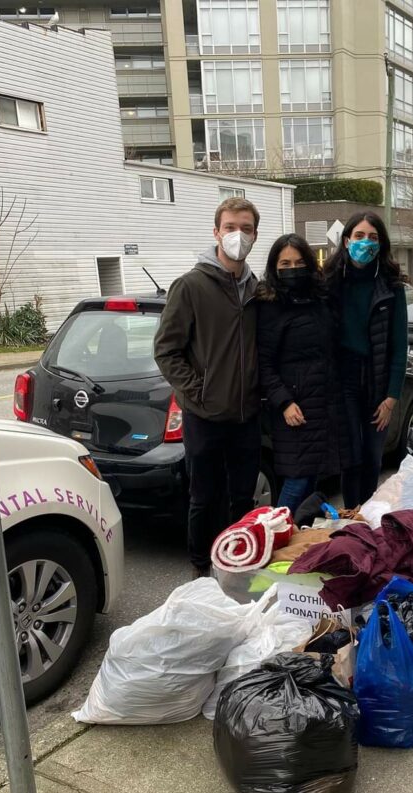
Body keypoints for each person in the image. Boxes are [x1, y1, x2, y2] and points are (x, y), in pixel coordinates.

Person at [154, 197, 261, 573]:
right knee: (203, 498)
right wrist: (197, 392)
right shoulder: (191, 286)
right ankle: (201, 569)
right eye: (230, 227)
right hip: (205, 416)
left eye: (245, 229)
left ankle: (237, 566)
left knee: (242, 499)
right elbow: (167, 351)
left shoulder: (254, 290)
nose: (238, 235)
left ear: (255, 235)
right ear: (216, 232)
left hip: (246, 416)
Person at [324, 211, 408, 509]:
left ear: (381, 244)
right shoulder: (329, 283)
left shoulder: (391, 286)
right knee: (351, 456)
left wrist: (391, 397)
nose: (365, 243)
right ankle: (351, 516)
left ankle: (368, 514)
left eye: (373, 237)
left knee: (372, 457)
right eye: (359, 236)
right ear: (346, 241)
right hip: (343, 381)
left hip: (377, 381)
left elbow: (400, 344)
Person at [256, 234, 345, 515]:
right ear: (274, 267)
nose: (292, 268)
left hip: (323, 406)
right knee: (297, 480)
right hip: (294, 411)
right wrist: (283, 402)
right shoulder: (270, 305)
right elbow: (264, 363)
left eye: (298, 262)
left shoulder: (321, 300)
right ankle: (271, 536)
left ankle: (295, 543)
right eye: (285, 263)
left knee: (312, 480)